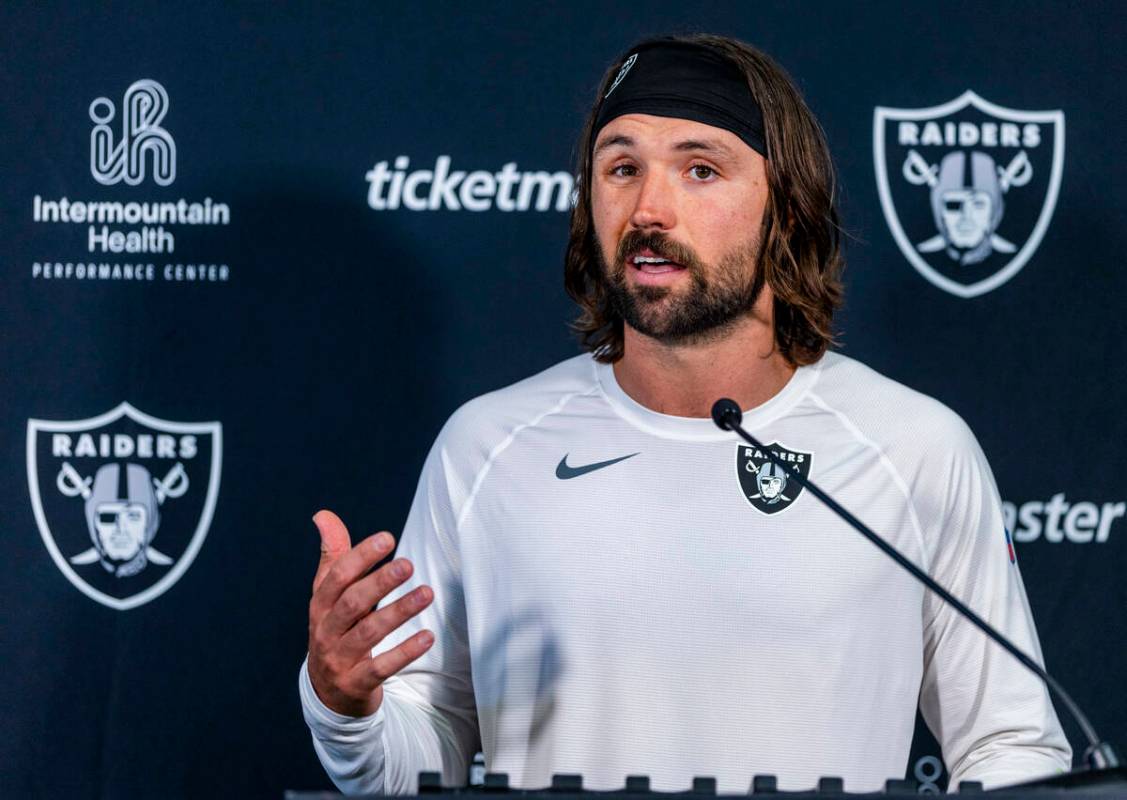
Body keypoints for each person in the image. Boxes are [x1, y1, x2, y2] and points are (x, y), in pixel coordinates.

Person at [300, 34, 1071, 794]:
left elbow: (1009, 746)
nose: (648, 208)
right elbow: (414, 758)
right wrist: (344, 706)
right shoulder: (487, 446)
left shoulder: (913, 448)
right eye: (621, 168)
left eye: (700, 169)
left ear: (788, 209)